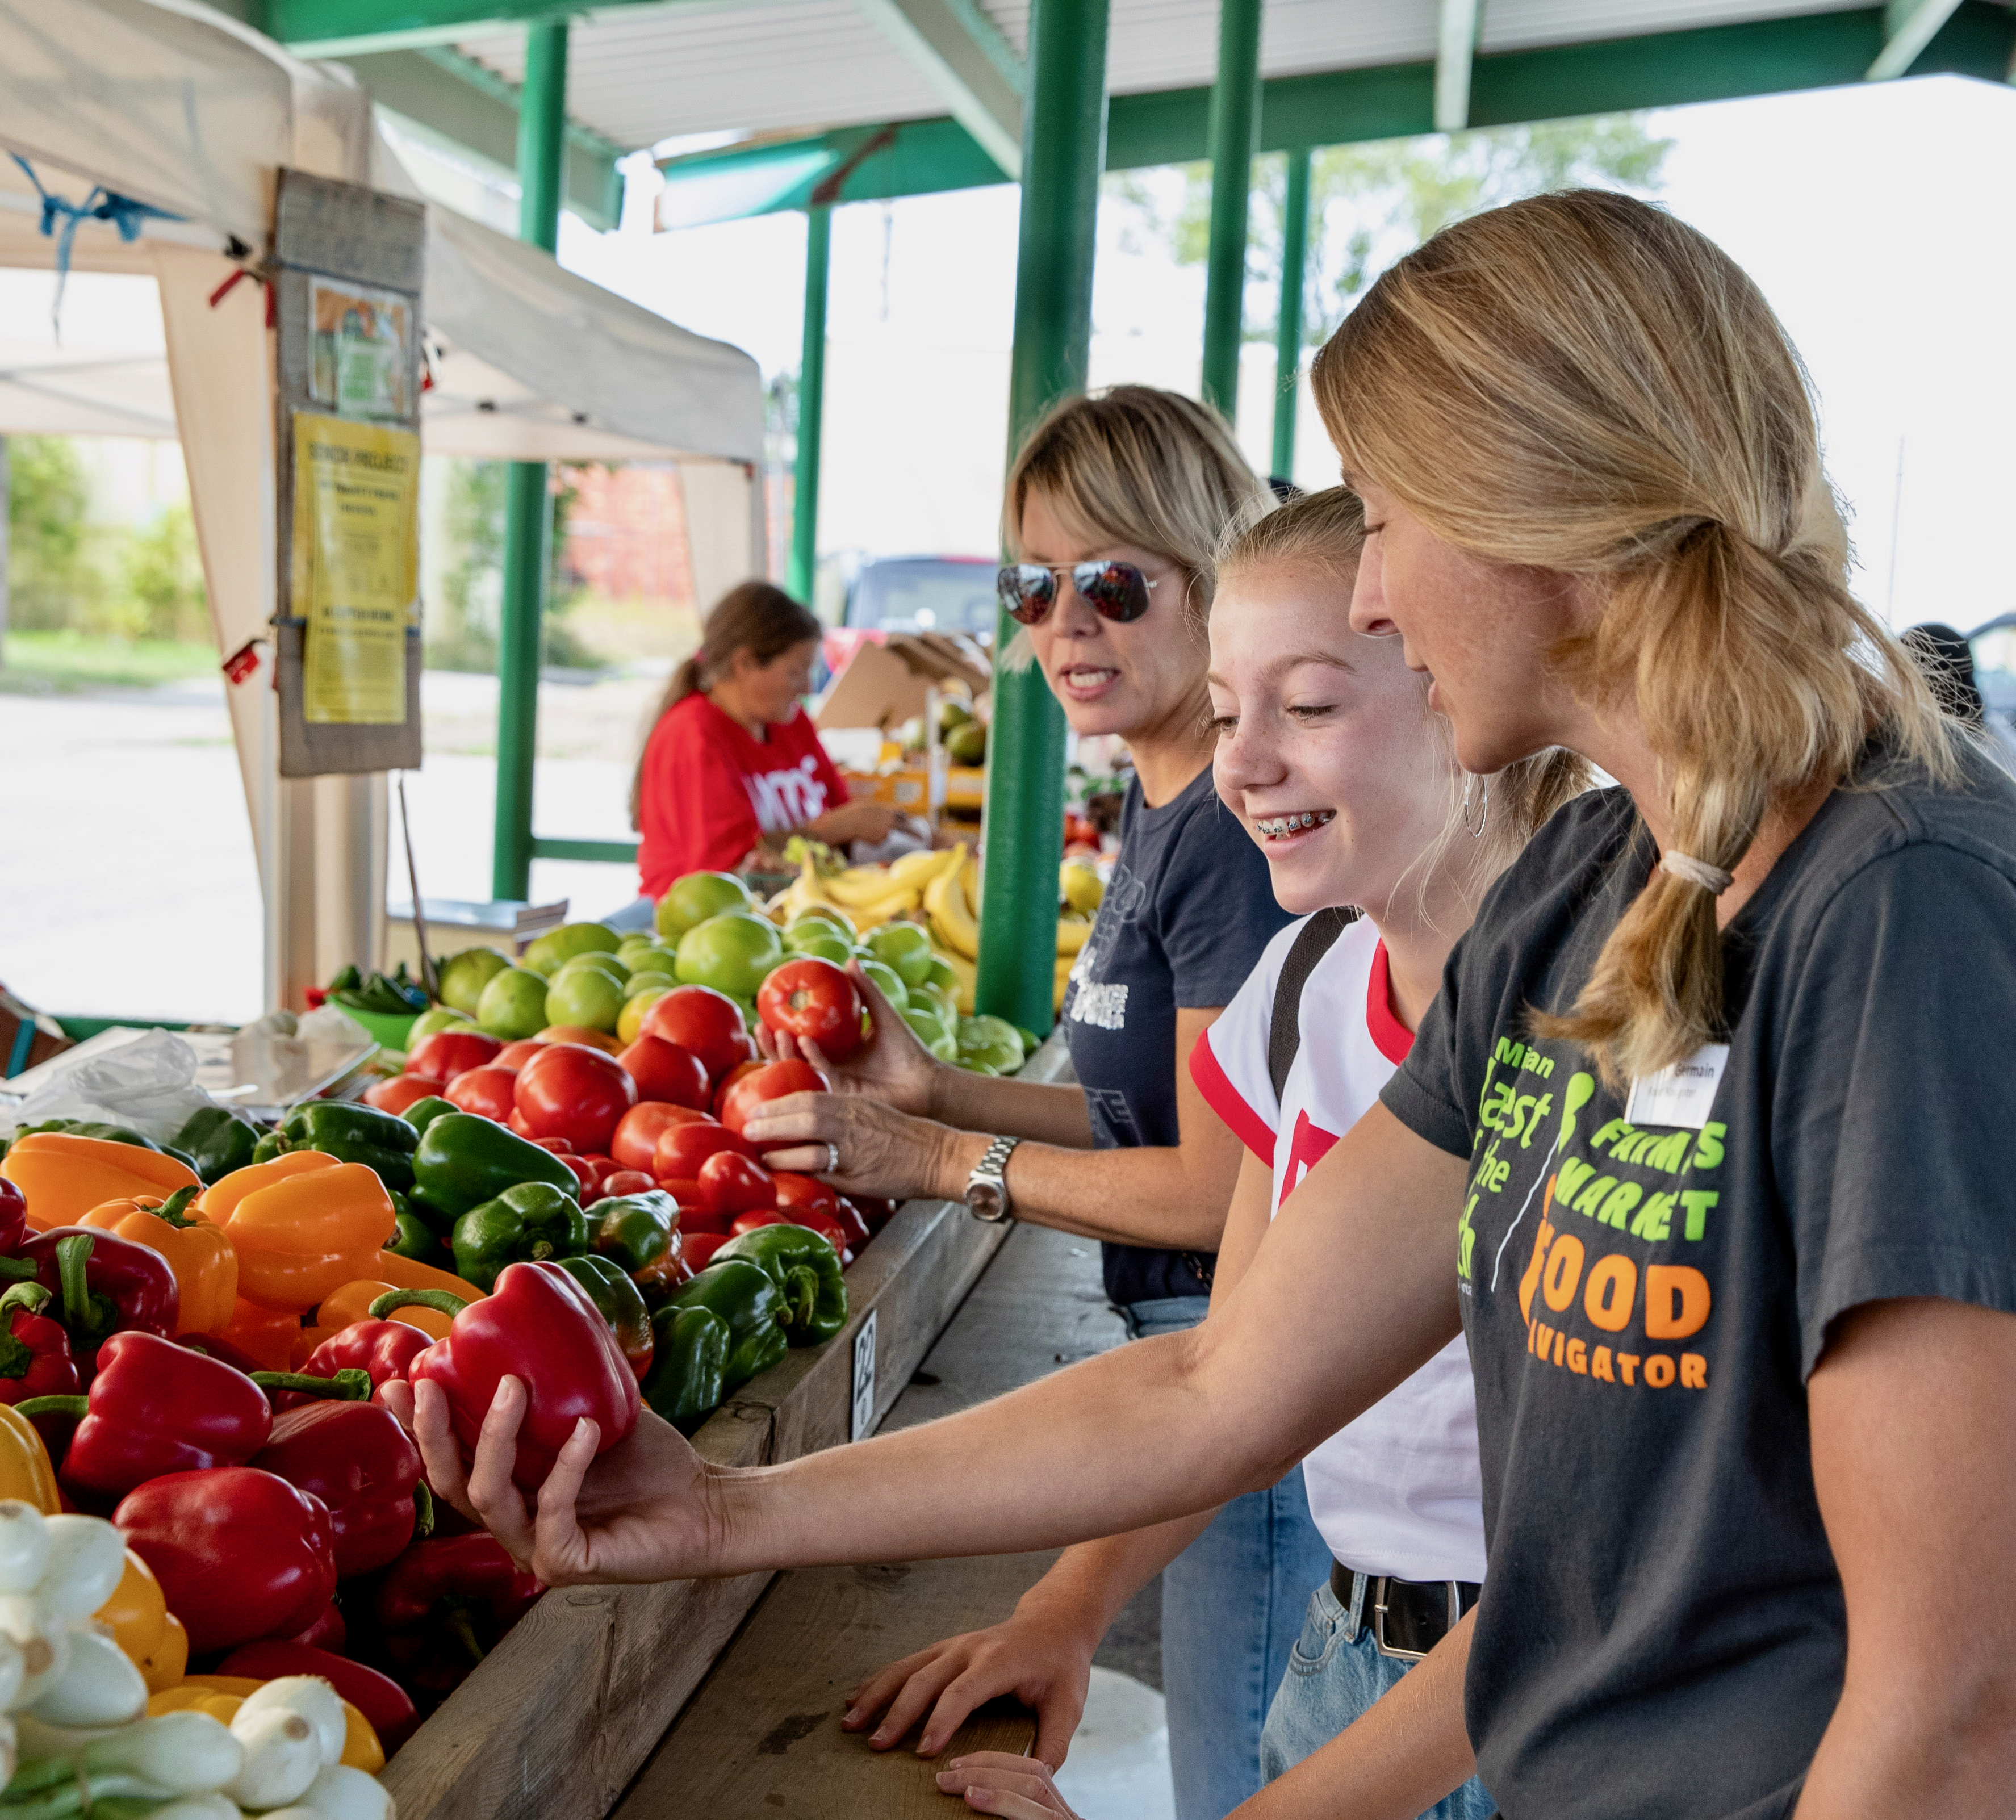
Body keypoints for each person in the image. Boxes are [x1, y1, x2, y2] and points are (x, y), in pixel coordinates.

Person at [392, 192, 2016, 1820]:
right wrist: (729, 1509)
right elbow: (1220, 1381)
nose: (1369, 594)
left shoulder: (1902, 903)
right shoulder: (1591, 883)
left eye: (1382, 519)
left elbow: (1950, 1712)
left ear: (1547, 502)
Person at [839, 488, 1583, 1818]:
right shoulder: (1302, 980)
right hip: (1339, 1646)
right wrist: (1070, 1599)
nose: (1241, 764)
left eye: (1306, 706)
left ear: (1467, 689)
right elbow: (1220, 1377)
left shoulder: (1611, 1024)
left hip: (1527, 1713)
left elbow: (1605, 1563)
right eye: (1231, 711)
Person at [751, 385, 1316, 1819]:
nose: (1069, 621)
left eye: (1115, 583)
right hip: (1180, 1376)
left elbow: (1210, 1186)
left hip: (1241, 1407)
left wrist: (941, 1150)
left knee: (1248, 1780)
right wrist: (938, 1086)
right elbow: (1156, 1113)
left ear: (1214, 578)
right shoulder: (1160, 805)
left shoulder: (1233, 843)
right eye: (1036, 583)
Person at [617, 581, 899, 926]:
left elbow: (843, 811)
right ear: (745, 663)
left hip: (784, 919)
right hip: (703, 928)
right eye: (795, 671)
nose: (808, 687)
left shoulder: (789, 723)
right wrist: (828, 830)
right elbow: (730, 871)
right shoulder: (693, 735)